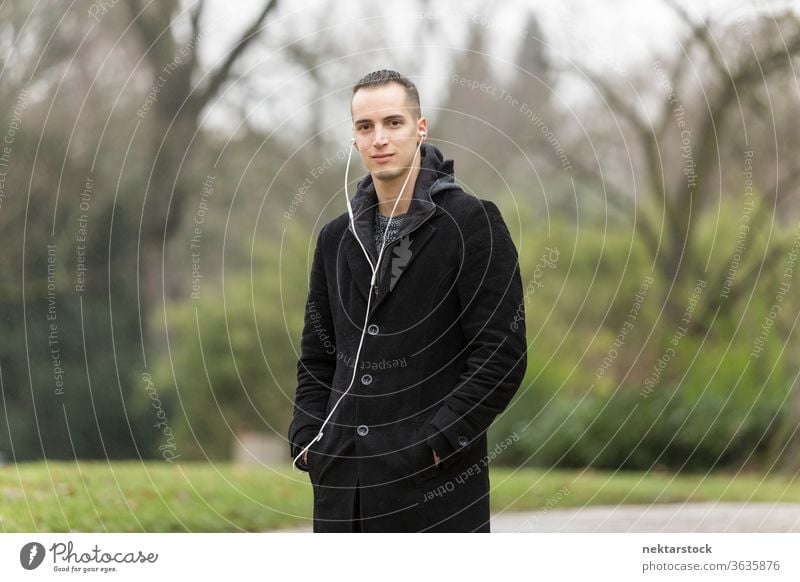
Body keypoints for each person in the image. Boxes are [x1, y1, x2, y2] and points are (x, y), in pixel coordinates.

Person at [288, 69, 527, 532]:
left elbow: (502, 354)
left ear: (421, 128)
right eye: (365, 127)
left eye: (393, 122)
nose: (379, 138)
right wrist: (307, 439)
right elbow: (318, 358)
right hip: (343, 491)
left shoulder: (472, 222)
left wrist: (438, 441)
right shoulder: (336, 238)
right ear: (354, 140)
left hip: (434, 489)